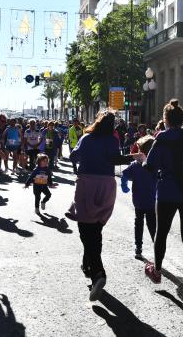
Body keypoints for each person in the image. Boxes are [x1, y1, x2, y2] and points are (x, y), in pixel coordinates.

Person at [69, 111, 140, 301]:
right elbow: (115, 159)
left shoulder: (86, 138)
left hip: (87, 183)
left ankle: (98, 273)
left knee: (86, 230)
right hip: (107, 185)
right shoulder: (113, 140)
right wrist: (133, 156)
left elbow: (73, 157)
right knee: (96, 229)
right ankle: (88, 266)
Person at [143, 100, 183, 308]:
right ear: (182, 119)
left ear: (166, 120)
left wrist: (144, 161)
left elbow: (150, 166)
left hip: (168, 191)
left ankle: (157, 271)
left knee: (161, 232)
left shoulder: (161, 138)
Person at [121, 135, 157, 260]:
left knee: (139, 223)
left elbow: (124, 175)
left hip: (138, 200)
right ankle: (157, 246)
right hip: (152, 201)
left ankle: (138, 248)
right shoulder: (154, 165)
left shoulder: (135, 165)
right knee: (152, 225)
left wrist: (124, 186)